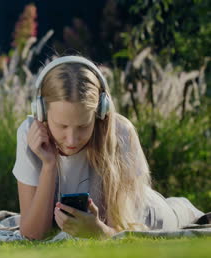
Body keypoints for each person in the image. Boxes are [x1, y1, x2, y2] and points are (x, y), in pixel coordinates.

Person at [12, 55, 205, 240]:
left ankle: (184, 208)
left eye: (83, 126)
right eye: (62, 126)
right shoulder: (30, 135)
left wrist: (97, 231)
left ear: (101, 112)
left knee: (179, 213)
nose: (71, 139)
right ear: (41, 113)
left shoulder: (120, 132)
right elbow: (32, 235)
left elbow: (127, 233)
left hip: (150, 215)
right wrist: (48, 165)